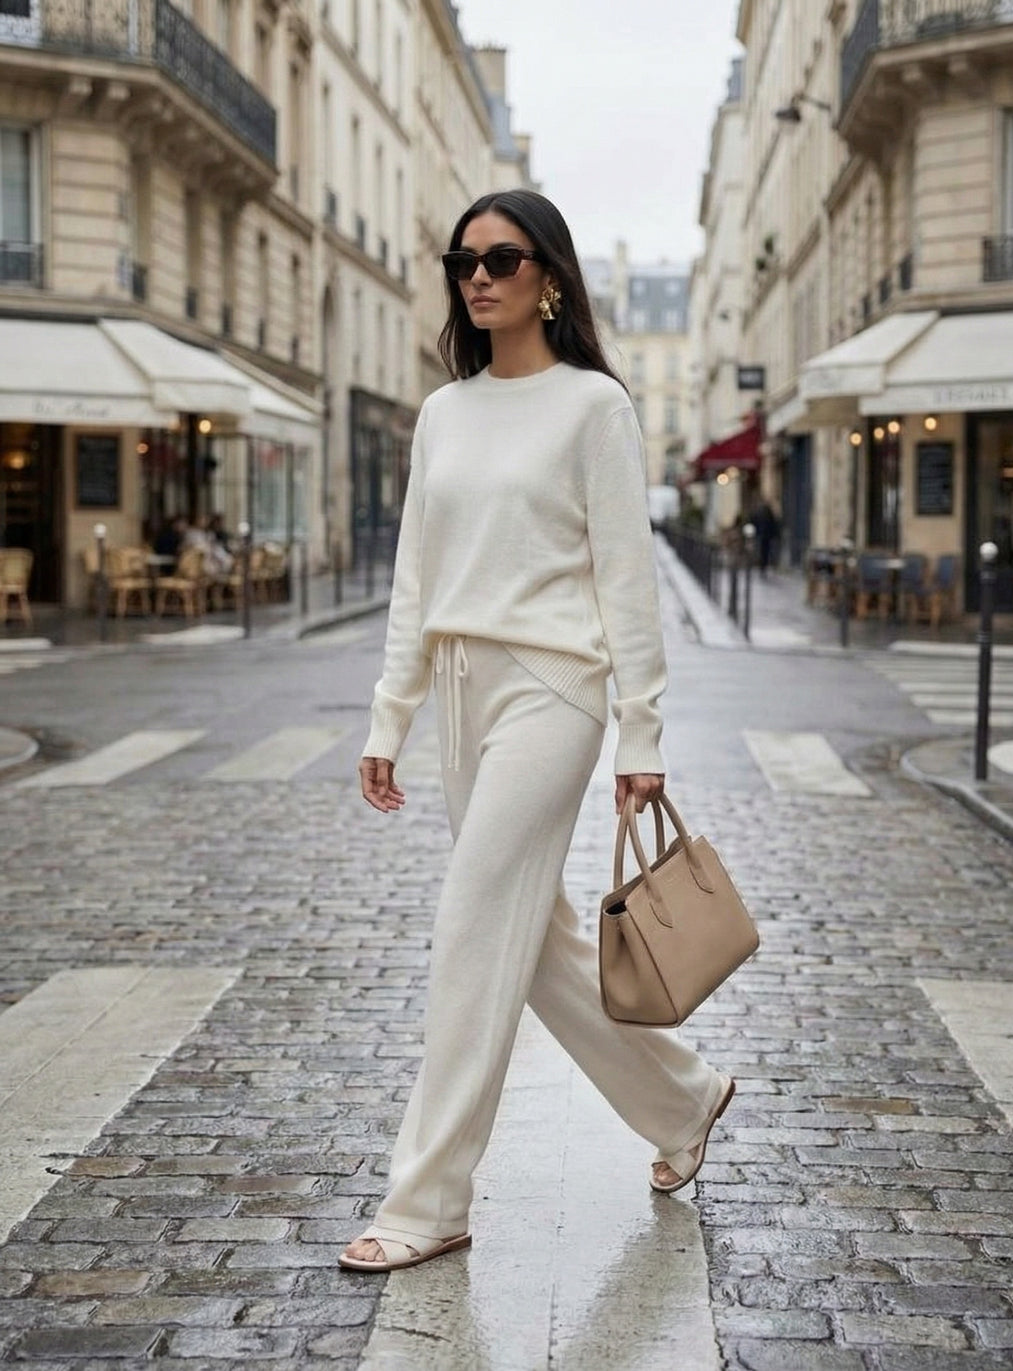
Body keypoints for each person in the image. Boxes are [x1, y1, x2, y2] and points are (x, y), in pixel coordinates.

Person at [340, 190, 734, 1274]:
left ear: (547, 277)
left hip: (552, 693)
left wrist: (640, 737)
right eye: (462, 260)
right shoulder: (442, 412)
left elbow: (626, 580)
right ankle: (685, 1098)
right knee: (538, 942)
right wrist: (392, 715)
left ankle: (428, 1197)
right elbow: (415, 579)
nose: (478, 276)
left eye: (502, 259)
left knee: (471, 929)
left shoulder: (593, 406)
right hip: (462, 697)